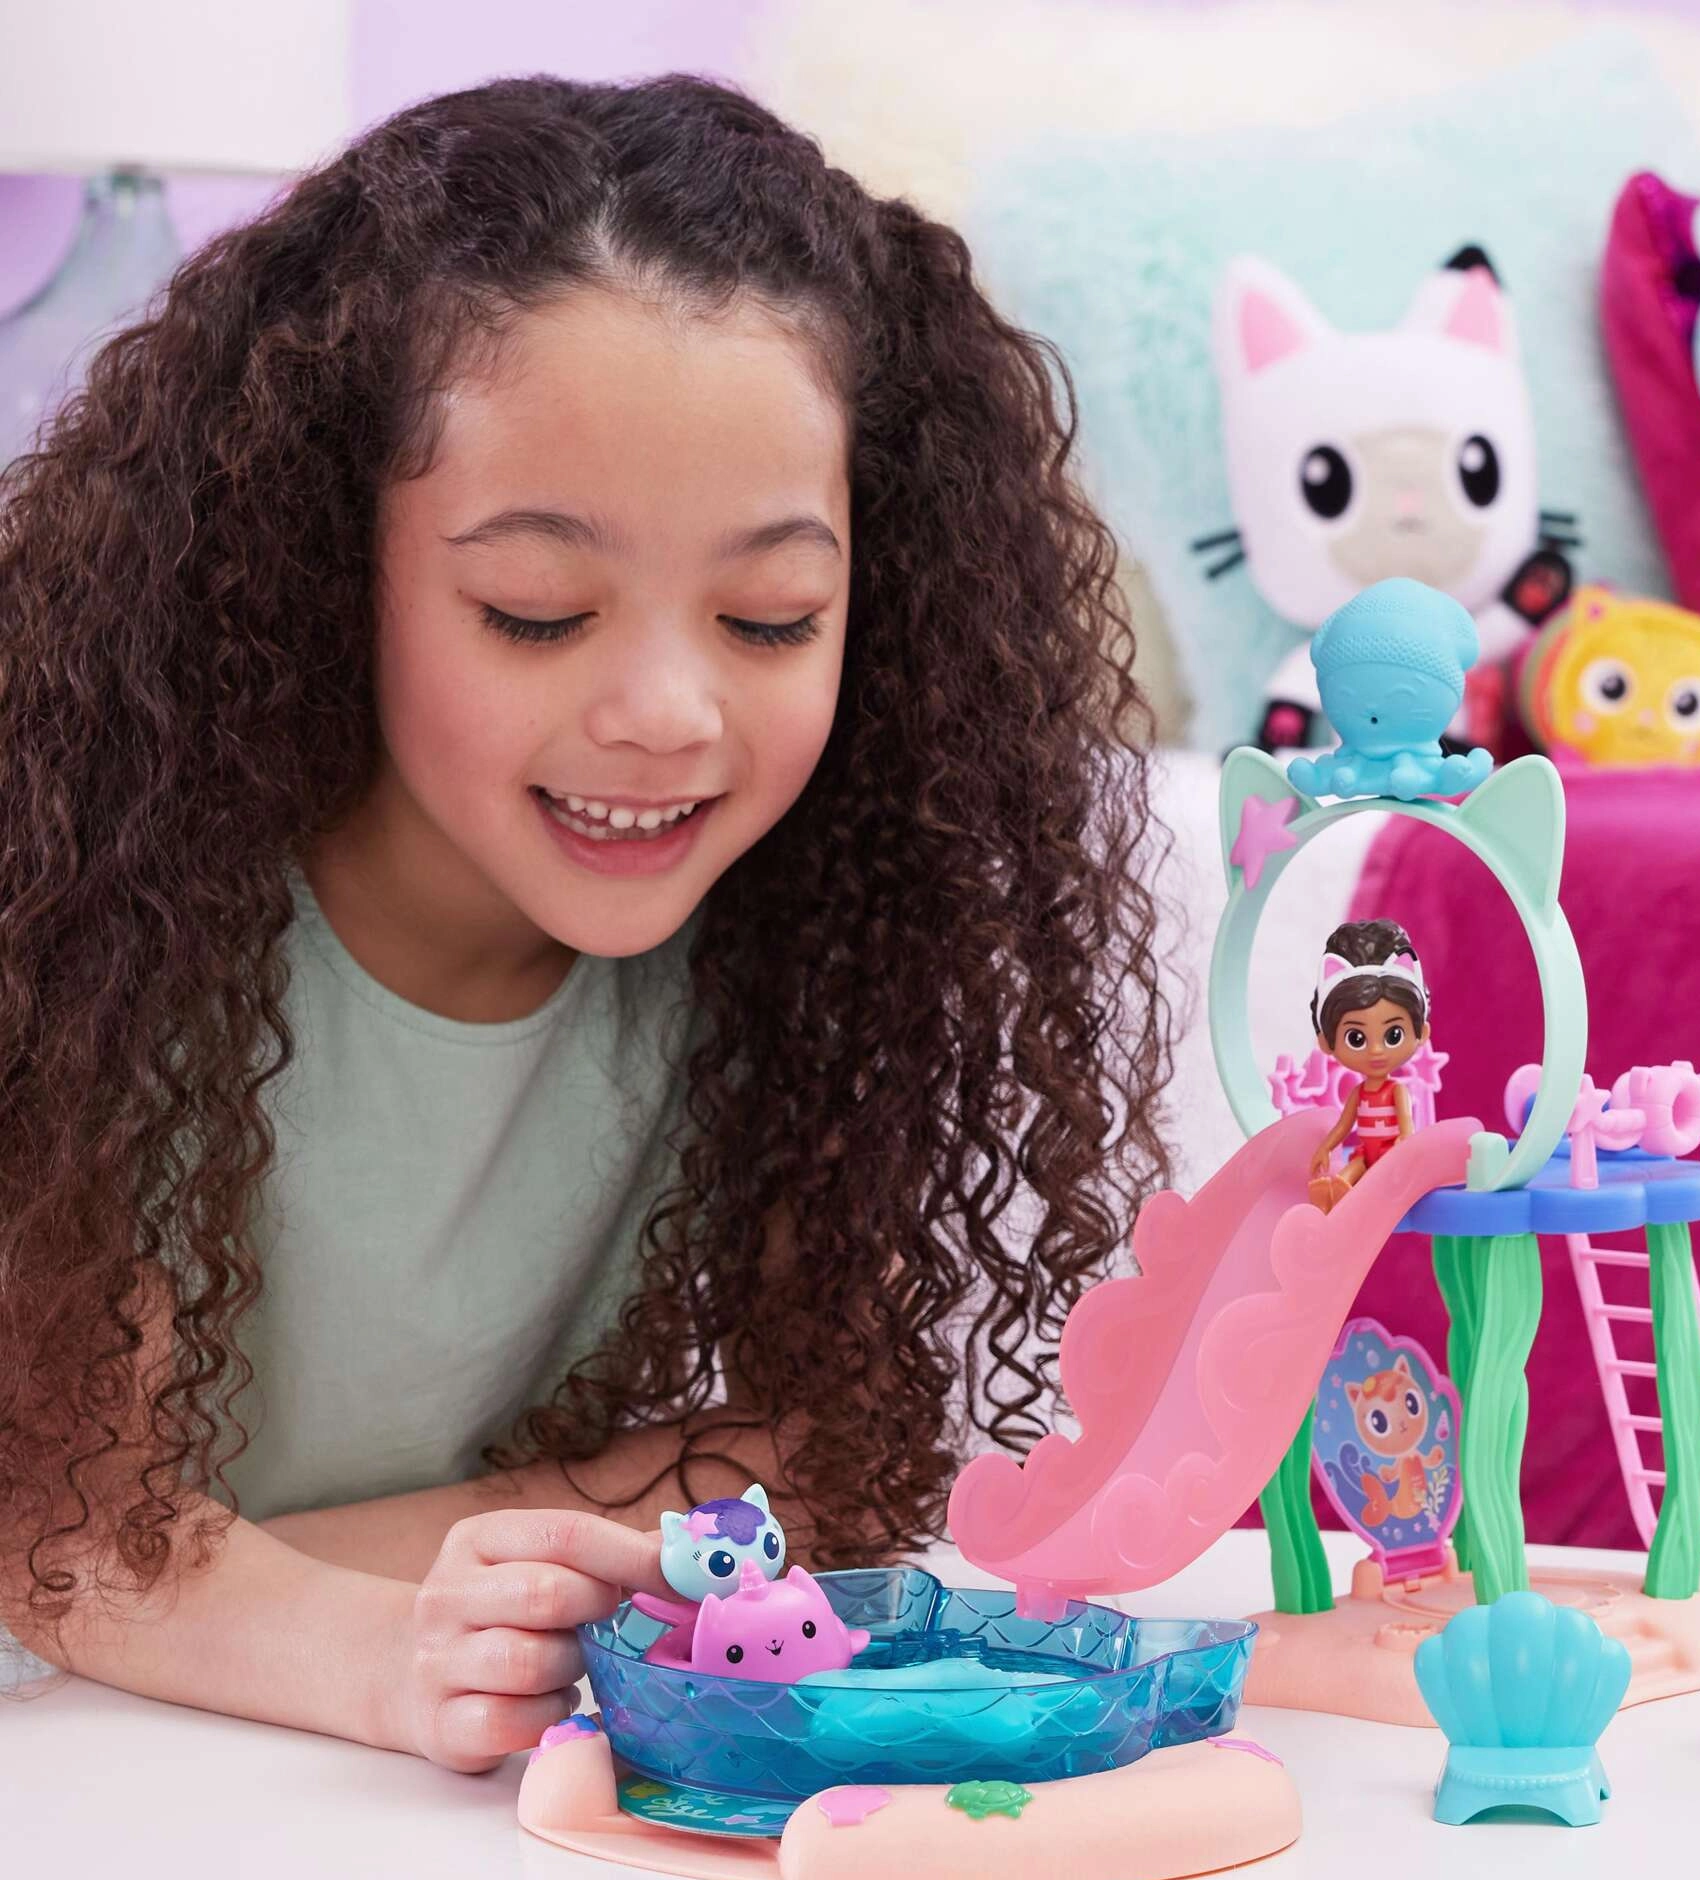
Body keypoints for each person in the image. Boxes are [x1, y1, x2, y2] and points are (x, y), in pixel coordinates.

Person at [0, 76, 1171, 1771]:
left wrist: (249, 1581)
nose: (665, 714)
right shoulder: (113, 913)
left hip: (302, 1768)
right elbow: (65, 1525)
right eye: (536, 612)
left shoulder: (795, 935)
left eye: (770, 619)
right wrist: (388, 1630)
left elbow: (815, 1466)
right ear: (328, 563)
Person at [1304, 921, 1429, 1211]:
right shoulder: (1359, 1094)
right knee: (1350, 1171)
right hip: (1366, 1154)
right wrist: (1325, 1147)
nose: (1376, 1050)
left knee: (1368, 1176)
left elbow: (1406, 1127)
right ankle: (1332, 1193)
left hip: (1388, 1156)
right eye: (1356, 1038)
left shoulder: (1396, 1091)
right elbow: (1344, 1125)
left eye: (1393, 1035)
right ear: (1326, 1042)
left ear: (1421, 1033)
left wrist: (1405, 1148)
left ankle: (1345, 1197)